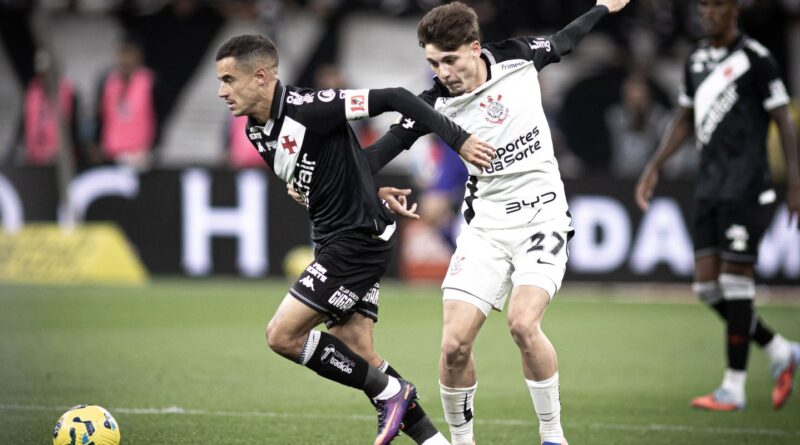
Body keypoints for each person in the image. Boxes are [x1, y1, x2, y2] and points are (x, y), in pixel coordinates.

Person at [366, 1, 630, 443]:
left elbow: (565, 40)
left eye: (450, 59)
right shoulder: (433, 103)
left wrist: (603, 7)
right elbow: (379, 152)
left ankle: (552, 435)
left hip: (542, 215)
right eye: (433, 62)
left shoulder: (518, 56)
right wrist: (321, 179)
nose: (442, 71)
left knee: (523, 324)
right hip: (485, 228)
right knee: (453, 346)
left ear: (474, 48)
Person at [214, 34, 492, 445]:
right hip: (335, 236)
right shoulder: (257, 130)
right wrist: (369, 190)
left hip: (356, 240)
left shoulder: (314, 107)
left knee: (282, 336)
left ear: (260, 77)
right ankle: (435, 442)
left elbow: (395, 96)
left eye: (228, 80)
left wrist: (459, 139)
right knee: (358, 352)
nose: (222, 92)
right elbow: (332, 173)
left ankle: (390, 393)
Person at [635, 0, 800, 412]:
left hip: (747, 187)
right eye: (703, 6)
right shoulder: (697, 58)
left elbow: (785, 121)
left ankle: (734, 387)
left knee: (737, 283)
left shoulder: (756, 60)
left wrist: (795, 182)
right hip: (709, 186)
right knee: (707, 287)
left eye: (716, 6)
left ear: (734, 10)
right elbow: (684, 119)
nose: (707, 13)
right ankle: (780, 348)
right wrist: (654, 165)